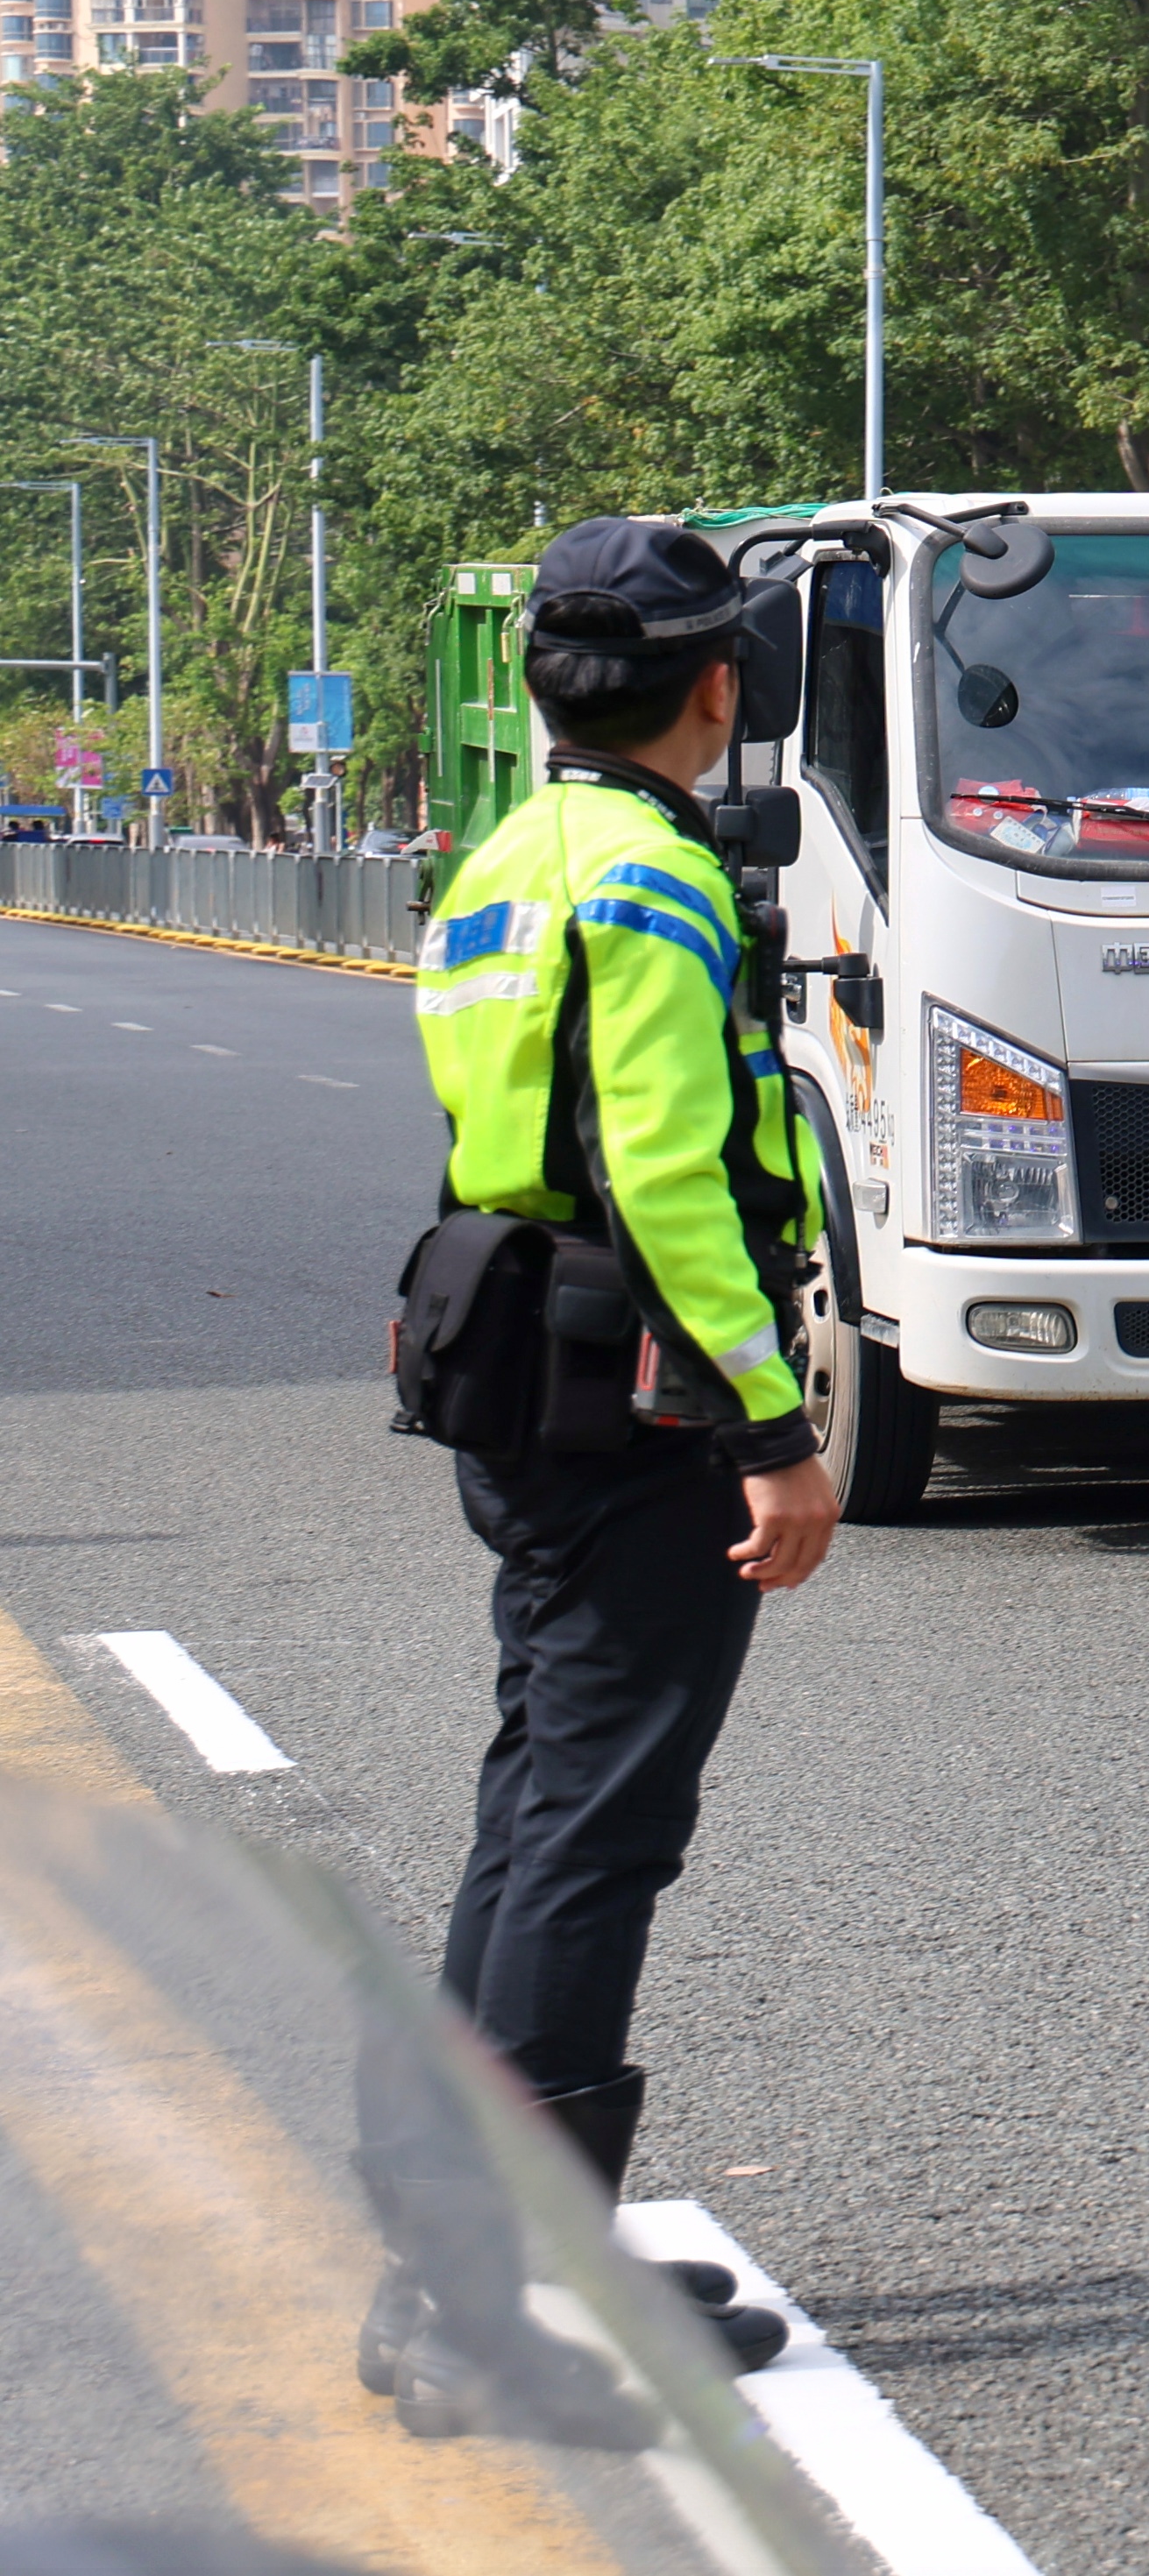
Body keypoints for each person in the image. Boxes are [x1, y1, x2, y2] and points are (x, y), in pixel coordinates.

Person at [365, 517, 840, 2432]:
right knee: (595, 1826)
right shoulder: (648, 877)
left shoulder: (503, 858)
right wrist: (776, 1432)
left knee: (535, 1802)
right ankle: (490, 2304)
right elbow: (661, 1170)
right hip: (632, 1395)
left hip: (519, 1366)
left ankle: (474, 2254)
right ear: (717, 688)